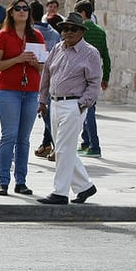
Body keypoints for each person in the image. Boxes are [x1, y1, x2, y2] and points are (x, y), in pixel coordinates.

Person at [37, 12, 102, 204]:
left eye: (73, 29)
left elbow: (94, 82)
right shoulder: (57, 48)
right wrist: (42, 100)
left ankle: (60, 192)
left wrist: (82, 104)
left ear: (81, 31)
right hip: (55, 103)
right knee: (63, 148)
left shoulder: (90, 53)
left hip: (74, 104)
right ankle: (85, 186)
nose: (68, 32)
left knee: (63, 150)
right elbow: (46, 75)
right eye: (65, 28)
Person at [0, 0, 45, 196]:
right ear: (11, 13)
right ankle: (3, 181)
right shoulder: (3, 36)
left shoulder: (36, 36)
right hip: (8, 91)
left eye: (25, 8)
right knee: (9, 136)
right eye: (18, 8)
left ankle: (21, 181)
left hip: (30, 93)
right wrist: (17, 59)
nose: (22, 11)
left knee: (24, 139)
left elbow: (43, 68)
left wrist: (34, 63)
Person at [74, 0, 110, 158]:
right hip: (96, 75)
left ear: (82, 13)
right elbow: (106, 57)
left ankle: (94, 145)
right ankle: (86, 142)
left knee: (88, 111)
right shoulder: (100, 31)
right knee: (88, 108)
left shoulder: (79, 31)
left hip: (80, 76)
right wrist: (106, 78)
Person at [30, 0, 61, 159]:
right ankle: (46, 144)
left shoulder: (29, 33)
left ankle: (58, 145)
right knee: (47, 111)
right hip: (52, 77)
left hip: (33, 79)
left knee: (46, 115)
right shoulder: (55, 34)